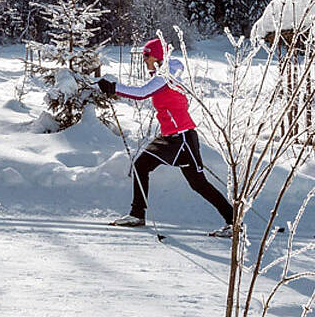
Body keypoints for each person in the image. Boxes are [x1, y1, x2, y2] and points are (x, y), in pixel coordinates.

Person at [98, 37, 234, 236]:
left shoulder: (168, 75)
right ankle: (137, 214)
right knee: (140, 166)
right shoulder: (161, 75)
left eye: (147, 55)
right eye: (143, 56)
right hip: (169, 137)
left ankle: (233, 221)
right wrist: (113, 89)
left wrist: (114, 88)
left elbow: (142, 93)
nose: (144, 60)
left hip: (183, 138)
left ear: (159, 56)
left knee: (198, 184)